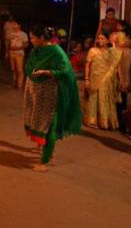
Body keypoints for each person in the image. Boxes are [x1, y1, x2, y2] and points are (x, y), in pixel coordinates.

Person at [23, 26, 81, 172]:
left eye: (33, 37)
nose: (31, 40)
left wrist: (47, 72)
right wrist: (33, 74)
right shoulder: (36, 50)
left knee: (49, 124)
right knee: (37, 121)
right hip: (35, 91)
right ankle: (49, 153)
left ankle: (45, 162)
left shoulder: (56, 51)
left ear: (42, 38)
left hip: (50, 93)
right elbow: (29, 65)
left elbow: (66, 70)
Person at [84, 32, 123, 129]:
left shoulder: (110, 51)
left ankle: (104, 122)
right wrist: (86, 79)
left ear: (107, 40)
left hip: (107, 79)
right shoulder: (93, 50)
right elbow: (87, 65)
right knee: (94, 98)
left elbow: (116, 66)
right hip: (95, 78)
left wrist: (121, 79)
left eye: (102, 38)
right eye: (99, 38)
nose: (100, 40)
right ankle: (92, 121)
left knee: (105, 99)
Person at [7, 21, 29, 89]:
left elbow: (26, 44)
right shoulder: (11, 34)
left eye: (15, 24)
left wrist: (17, 48)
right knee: (13, 69)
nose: (13, 25)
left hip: (19, 54)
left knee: (19, 70)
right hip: (12, 53)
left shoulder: (23, 34)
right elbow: (9, 43)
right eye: (12, 24)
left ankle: (20, 85)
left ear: (19, 25)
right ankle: (14, 83)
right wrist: (8, 51)